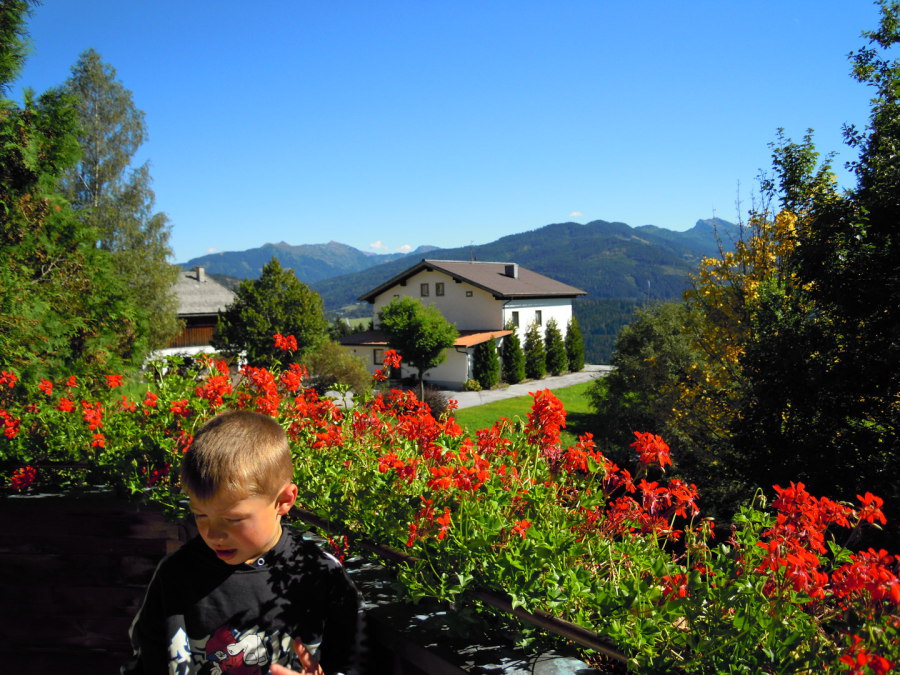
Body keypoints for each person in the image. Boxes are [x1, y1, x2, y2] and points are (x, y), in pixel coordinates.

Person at [122, 410, 366, 674]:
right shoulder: (175, 576)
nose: (213, 534)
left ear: (283, 502)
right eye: (200, 515)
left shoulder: (320, 574)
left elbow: (356, 660)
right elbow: (145, 659)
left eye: (234, 519)